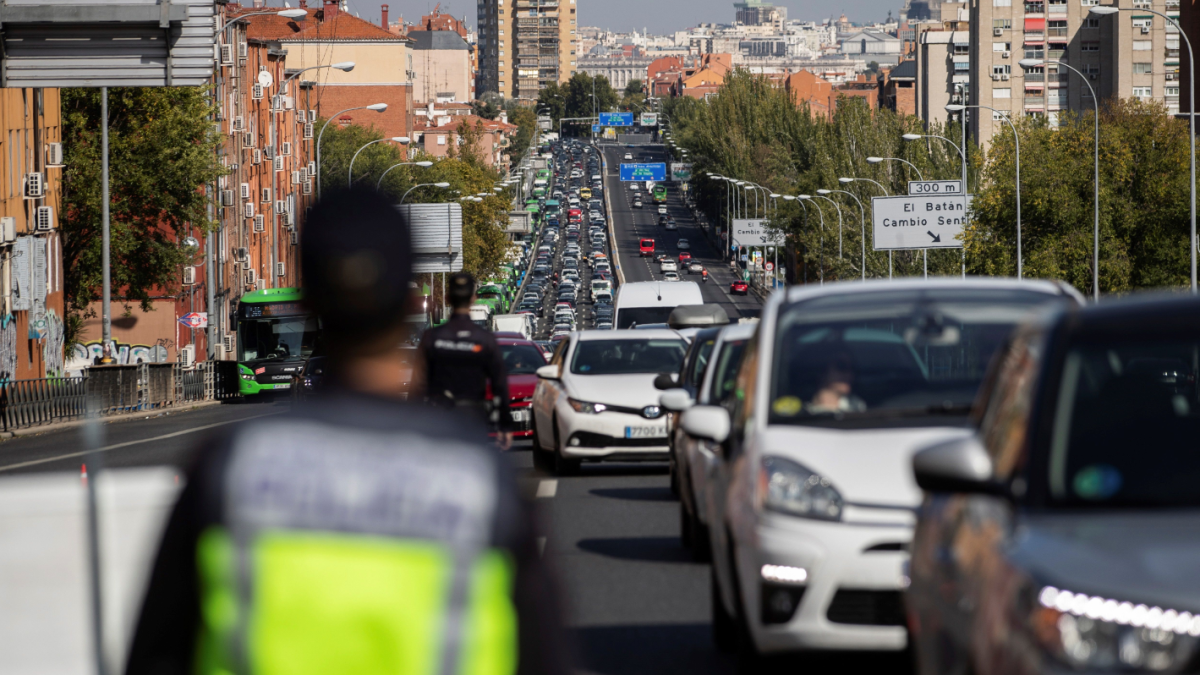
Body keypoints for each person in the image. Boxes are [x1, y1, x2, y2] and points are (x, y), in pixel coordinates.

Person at [124, 187, 570, 675]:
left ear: (312, 300)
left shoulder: (228, 468)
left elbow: (157, 654)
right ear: (408, 303)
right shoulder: (480, 481)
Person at [418, 272, 515, 450]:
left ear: (447, 298)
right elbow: (499, 385)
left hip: (440, 421)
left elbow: (418, 385)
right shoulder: (485, 339)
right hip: (474, 420)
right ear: (473, 299)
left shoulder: (431, 337)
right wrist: (504, 425)